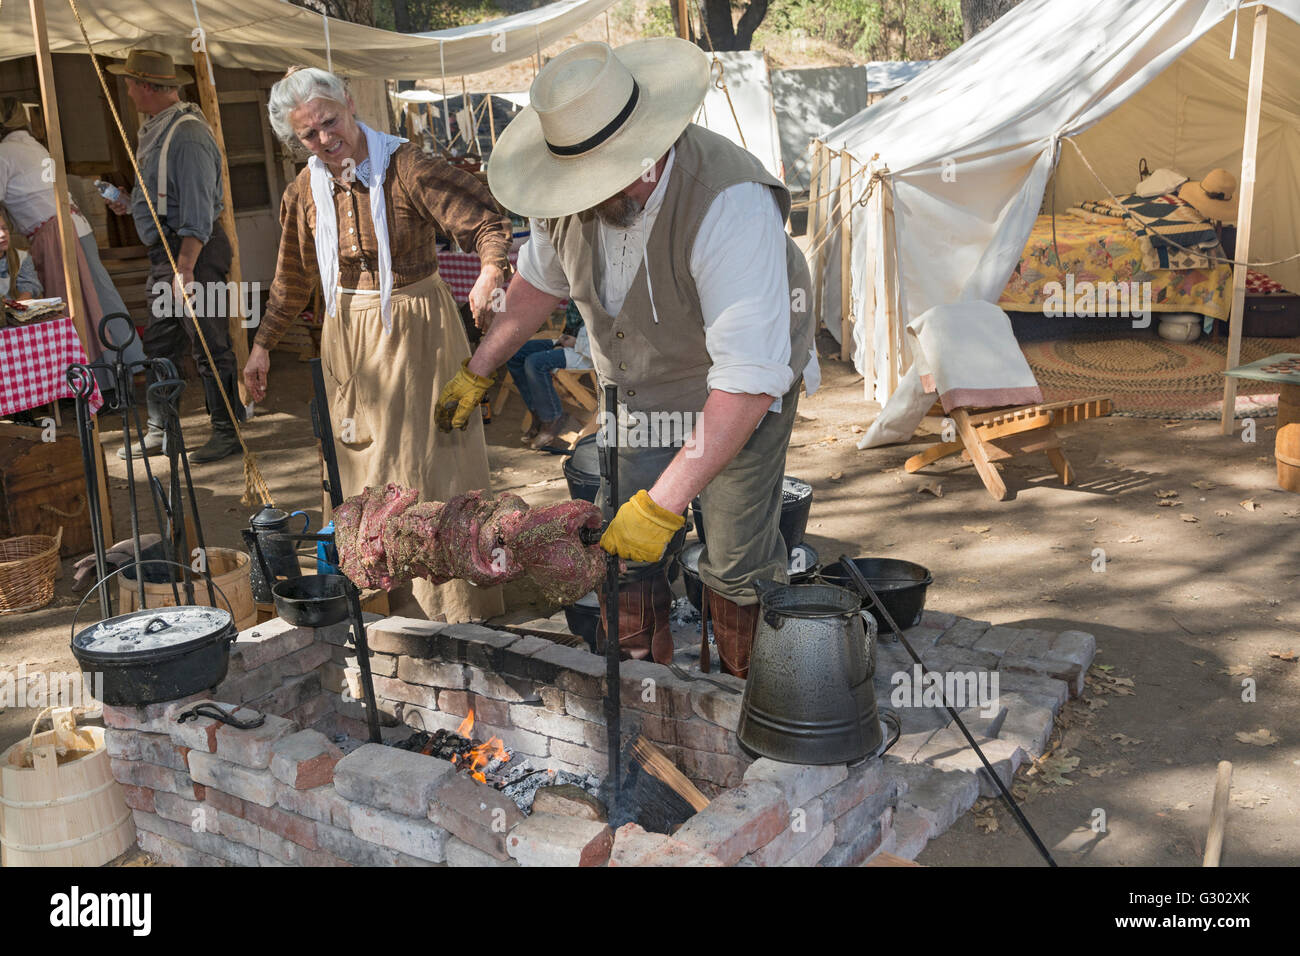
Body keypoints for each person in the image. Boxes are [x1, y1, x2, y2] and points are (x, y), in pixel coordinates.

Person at [437, 39, 819, 677]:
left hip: (733, 393)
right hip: (636, 391)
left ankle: (747, 691)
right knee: (621, 549)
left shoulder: (728, 201)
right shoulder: (569, 201)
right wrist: (481, 367)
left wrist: (662, 507)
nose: (585, 192)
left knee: (732, 554)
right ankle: (644, 686)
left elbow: (746, 387)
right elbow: (538, 282)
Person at [244, 66, 512, 624]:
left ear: (348, 101)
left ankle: (448, 607)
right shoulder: (305, 190)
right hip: (347, 334)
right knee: (360, 465)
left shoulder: (406, 166)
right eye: (308, 135)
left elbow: (486, 220)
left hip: (417, 329)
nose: (323, 139)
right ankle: (376, 602)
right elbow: (292, 279)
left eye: (329, 122)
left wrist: (490, 270)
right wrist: (263, 346)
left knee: (427, 466)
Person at [104, 51, 240, 464]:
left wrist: (185, 268)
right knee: (162, 341)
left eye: (129, 83)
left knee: (209, 341)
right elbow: (169, 196)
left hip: (192, 253)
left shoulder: (187, 134)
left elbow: (198, 211)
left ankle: (226, 430)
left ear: (146, 86)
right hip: (169, 253)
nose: (126, 91)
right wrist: (132, 205)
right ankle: (162, 429)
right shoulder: (158, 130)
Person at [0, 97, 142, 384]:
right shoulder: (32, 145)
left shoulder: (5, 152)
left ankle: (93, 381)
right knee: (100, 296)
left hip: (55, 232)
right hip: (75, 224)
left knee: (70, 306)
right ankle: (129, 364)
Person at [506, 301, 593, 448]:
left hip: (588, 353)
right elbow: (574, 319)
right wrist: (566, 338)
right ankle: (538, 414)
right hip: (574, 341)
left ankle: (553, 417)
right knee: (515, 354)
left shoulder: (611, 295)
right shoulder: (583, 285)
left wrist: (577, 343)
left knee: (535, 363)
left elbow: (607, 340)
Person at [0, 210, 42, 299]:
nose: (3, 234)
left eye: (4, 228)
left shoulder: (21, 257)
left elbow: (29, 283)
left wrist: (22, 302)